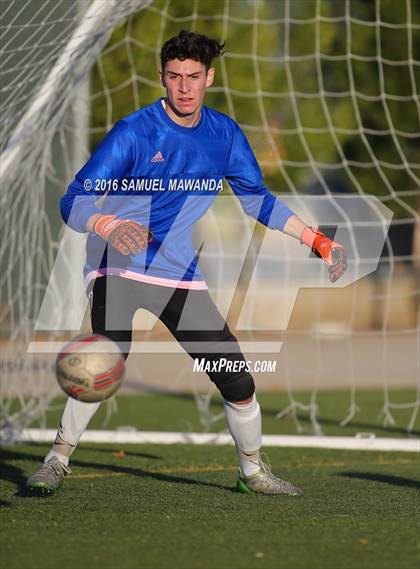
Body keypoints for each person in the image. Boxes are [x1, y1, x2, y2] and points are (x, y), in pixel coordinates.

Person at [27, 31, 346, 496]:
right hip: (119, 263)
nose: (183, 87)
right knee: (105, 356)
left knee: (238, 380)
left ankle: (253, 471)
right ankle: (56, 460)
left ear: (209, 78)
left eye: (193, 77)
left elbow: (258, 202)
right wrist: (107, 225)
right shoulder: (134, 131)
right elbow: (73, 200)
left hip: (178, 273)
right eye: (174, 77)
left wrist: (316, 239)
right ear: (161, 77)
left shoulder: (224, 135)